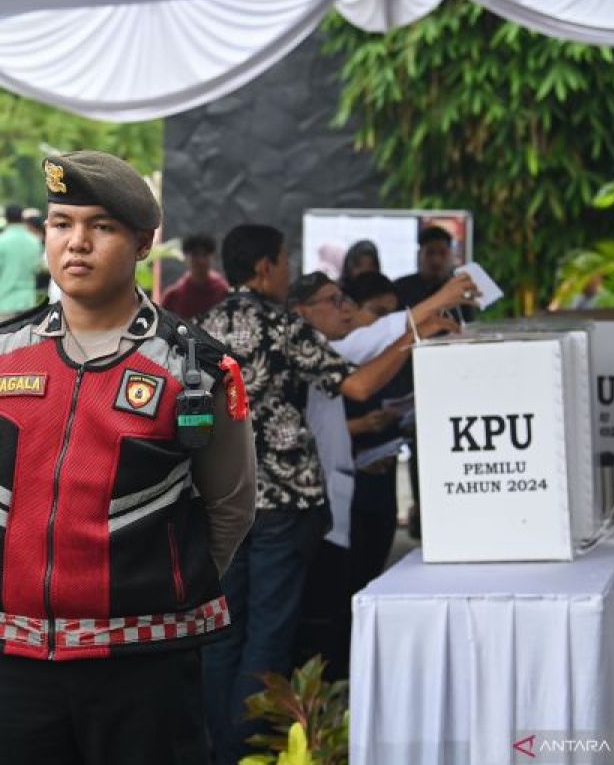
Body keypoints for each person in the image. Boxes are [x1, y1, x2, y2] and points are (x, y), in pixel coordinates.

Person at [0, 151, 257, 764]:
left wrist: (161, 586)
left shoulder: (194, 369)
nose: (77, 244)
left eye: (102, 227)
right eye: (61, 224)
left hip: (144, 667)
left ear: (145, 242)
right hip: (14, 662)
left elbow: (231, 507)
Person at [196, 223, 463, 764]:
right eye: (286, 261)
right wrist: (412, 337)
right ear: (267, 267)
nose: (289, 270)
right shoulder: (281, 323)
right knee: (269, 640)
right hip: (283, 501)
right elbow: (359, 386)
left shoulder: (199, 326)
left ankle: (212, 754)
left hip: (218, 501)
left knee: (221, 639)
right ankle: (242, 755)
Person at [286, 272, 466, 677]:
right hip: (311, 509)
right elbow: (364, 379)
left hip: (336, 494)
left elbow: (385, 331)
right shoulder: (310, 350)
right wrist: (434, 306)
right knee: (316, 622)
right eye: (333, 301)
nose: (344, 307)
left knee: (334, 610)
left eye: (344, 298)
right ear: (302, 313)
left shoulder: (329, 347)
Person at [0, 204, 44, 321]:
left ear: (6, 219)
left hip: (4, 303)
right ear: (22, 218)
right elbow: (38, 269)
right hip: (27, 303)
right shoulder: (34, 242)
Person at [161, 233, 230, 320]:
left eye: (205, 255)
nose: (200, 260)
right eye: (195, 255)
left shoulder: (225, 292)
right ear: (185, 257)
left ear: (212, 257)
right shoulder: (173, 296)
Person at [393, 224, 458, 310]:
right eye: (430, 253)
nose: (436, 261)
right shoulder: (400, 289)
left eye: (442, 253)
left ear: (452, 257)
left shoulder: (459, 290)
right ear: (419, 255)